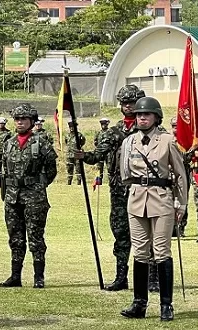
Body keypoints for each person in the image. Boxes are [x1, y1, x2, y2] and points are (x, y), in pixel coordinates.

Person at [119, 96, 187, 321]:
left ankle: (166, 305)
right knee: (139, 252)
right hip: (137, 199)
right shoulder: (129, 142)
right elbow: (125, 174)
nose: (142, 118)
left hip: (162, 199)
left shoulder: (167, 141)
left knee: (161, 251)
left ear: (156, 118)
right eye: (139, 115)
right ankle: (139, 303)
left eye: (146, 115)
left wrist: (181, 202)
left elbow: (180, 174)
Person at [75, 84, 145, 291]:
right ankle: (121, 277)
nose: (128, 106)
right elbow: (98, 155)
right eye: (124, 103)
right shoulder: (112, 133)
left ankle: (152, 279)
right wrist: (83, 156)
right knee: (121, 234)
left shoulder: (151, 130)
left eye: (131, 102)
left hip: (143, 189)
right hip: (118, 190)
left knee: (145, 234)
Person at [0, 103, 57, 288]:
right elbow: (3, 169)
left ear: (31, 121)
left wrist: (38, 185)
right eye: (17, 119)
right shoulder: (8, 143)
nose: (20, 122)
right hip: (12, 197)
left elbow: (51, 169)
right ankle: (15, 276)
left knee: (35, 237)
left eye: (24, 119)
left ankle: (38, 277)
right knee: (15, 237)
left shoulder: (41, 142)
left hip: (34, 197)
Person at [65, 121, 86, 185]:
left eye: (73, 127)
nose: (71, 128)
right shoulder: (67, 135)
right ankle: (69, 183)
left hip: (77, 154)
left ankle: (79, 183)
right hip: (69, 155)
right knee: (69, 169)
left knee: (78, 169)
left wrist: (79, 148)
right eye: (70, 127)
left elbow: (83, 142)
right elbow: (66, 142)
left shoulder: (79, 135)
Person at [0, 117, 12, 183]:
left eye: (3, 123)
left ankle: (7, 180)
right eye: (0, 123)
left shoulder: (8, 133)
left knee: (6, 167)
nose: (1, 125)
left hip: (6, 153)